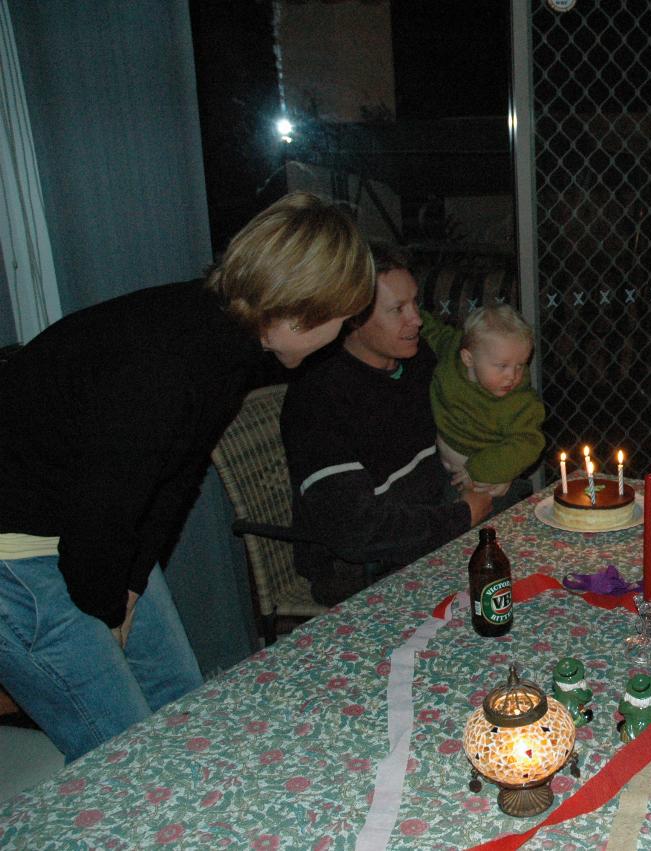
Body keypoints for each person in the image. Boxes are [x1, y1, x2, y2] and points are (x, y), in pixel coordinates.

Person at [0, 191, 373, 762]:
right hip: (17, 548)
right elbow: (99, 521)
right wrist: (105, 610)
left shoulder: (233, 340)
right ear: (299, 311)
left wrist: (129, 586)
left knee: (183, 713)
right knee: (123, 758)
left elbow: (174, 478)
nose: (346, 331)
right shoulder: (168, 364)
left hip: (87, 525)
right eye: (344, 319)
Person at [281, 242, 492, 606]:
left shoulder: (416, 360)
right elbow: (356, 530)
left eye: (415, 303)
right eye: (398, 309)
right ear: (353, 318)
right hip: (365, 570)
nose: (417, 319)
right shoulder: (319, 397)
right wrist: (461, 515)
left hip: (433, 531)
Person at [418, 303, 545, 503]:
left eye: (520, 365)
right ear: (468, 358)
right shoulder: (451, 354)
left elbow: (528, 444)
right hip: (438, 466)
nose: (512, 376)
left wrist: (480, 471)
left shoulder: (520, 402)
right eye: (502, 366)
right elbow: (433, 332)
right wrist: (415, 315)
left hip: (483, 481)